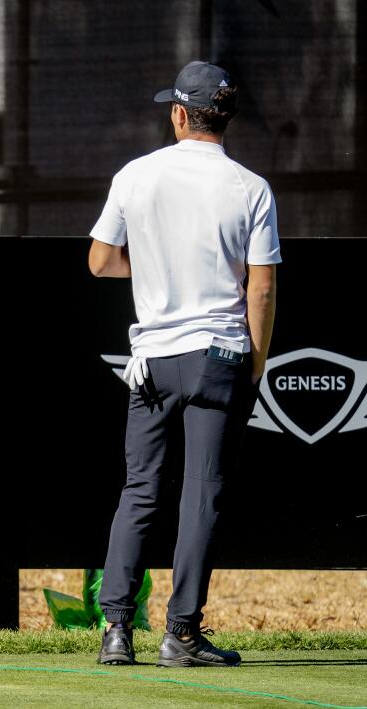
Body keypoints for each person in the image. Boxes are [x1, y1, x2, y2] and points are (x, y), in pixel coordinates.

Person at [88, 61, 280, 668]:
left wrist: (157, 268)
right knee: (202, 496)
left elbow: (100, 261)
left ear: (178, 114)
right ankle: (181, 634)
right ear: (223, 119)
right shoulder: (250, 187)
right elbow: (262, 289)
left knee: (140, 489)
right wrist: (256, 360)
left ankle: (116, 630)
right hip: (219, 355)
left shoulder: (135, 175)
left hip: (151, 359)